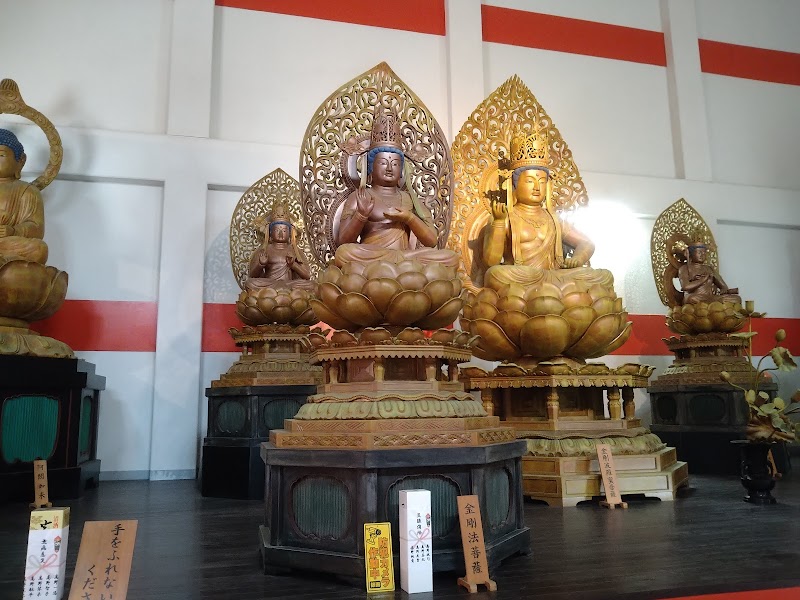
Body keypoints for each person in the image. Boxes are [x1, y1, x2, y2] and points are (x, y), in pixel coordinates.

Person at [482, 131, 612, 291]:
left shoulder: (554, 220)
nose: (537, 187)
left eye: (542, 181)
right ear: (514, 185)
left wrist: (577, 259)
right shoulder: (504, 216)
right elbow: (491, 262)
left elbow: (587, 243)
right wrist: (499, 223)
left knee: (604, 275)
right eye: (530, 181)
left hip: (555, 276)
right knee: (495, 274)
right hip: (523, 277)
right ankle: (555, 294)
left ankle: (549, 292)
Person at [334, 109, 458, 268]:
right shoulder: (361, 196)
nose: (389, 168)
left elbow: (431, 240)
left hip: (405, 257)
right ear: (371, 168)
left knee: (450, 257)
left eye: (395, 164)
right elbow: (343, 241)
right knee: (344, 254)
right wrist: (361, 215)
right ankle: (398, 270)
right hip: (373, 256)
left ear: (401, 170)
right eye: (383, 163)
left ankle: (395, 269)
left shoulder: (409, 199)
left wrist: (409, 218)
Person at [0, 129, 48, 264]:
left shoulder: (28, 191)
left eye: (1, 155)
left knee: (39, 248)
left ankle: (7, 264)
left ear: (21, 161)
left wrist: (13, 231)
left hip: (7, 244)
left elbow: (36, 228)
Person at [245, 201, 316, 292]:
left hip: (289, 284)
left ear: (290, 233)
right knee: (250, 283)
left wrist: (293, 265)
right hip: (270, 284)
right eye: (277, 230)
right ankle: (284, 292)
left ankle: (278, 292)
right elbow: (252, 275)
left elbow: (307, 275)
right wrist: (260, 264)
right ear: (270, 232)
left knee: (313, 285)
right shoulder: (264, 249)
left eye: (284, 231)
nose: (281, 234)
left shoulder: (295, 250)